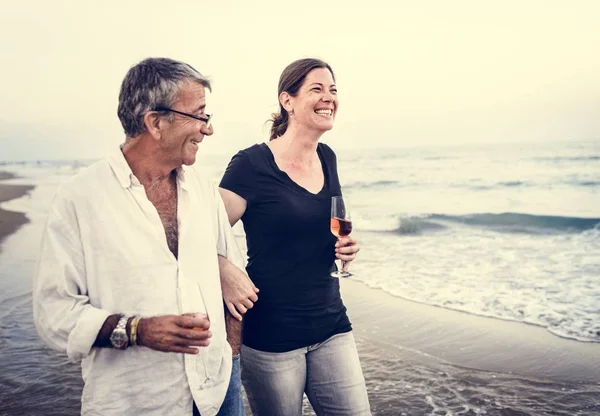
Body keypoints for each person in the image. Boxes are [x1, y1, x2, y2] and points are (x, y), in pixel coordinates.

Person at [33, 57, 248, 416]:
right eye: (200, 115)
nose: (207, 130)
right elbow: (53, 313)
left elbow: (234, 285)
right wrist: (137, 330)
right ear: (156, 123)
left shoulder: (203, 189)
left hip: (217, 393)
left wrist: (232, 355)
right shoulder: (80, 198)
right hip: (137, 403)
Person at [219, 58, 371, 415]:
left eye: (333, 90)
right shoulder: (251, 165)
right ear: (287, 101)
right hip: (273, 335)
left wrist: (346, 245)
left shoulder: (327, 157)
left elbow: (326, 223)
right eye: (316, 89)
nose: (328, 97)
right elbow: (199, 230)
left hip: (332, 323)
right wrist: (221, 268)